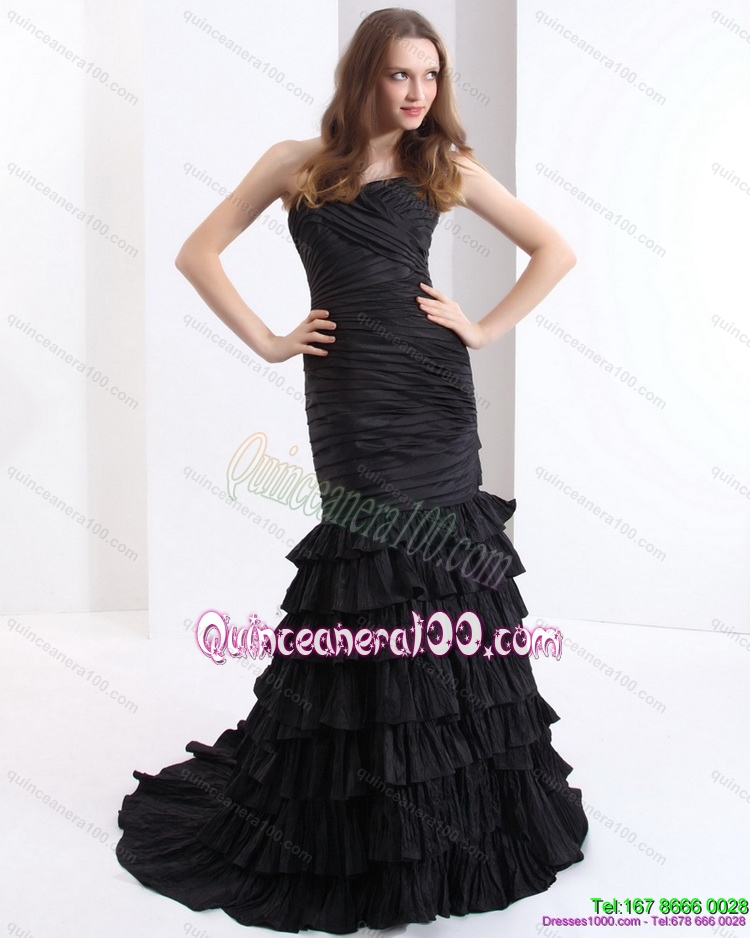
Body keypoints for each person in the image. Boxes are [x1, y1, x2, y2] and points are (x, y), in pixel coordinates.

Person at [115, 7, 588, 933]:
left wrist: (482, 327)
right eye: (401, 74)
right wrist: (269, 340)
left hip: (431, 389)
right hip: (348, 396)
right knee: (365, 570)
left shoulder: (442, 165)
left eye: (431, 76)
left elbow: (555, 250)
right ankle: (358, 801)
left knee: (442, 569)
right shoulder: (296, 163)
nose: (418, 93)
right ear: (364, 74)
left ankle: (454, 804)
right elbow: (196, 252)